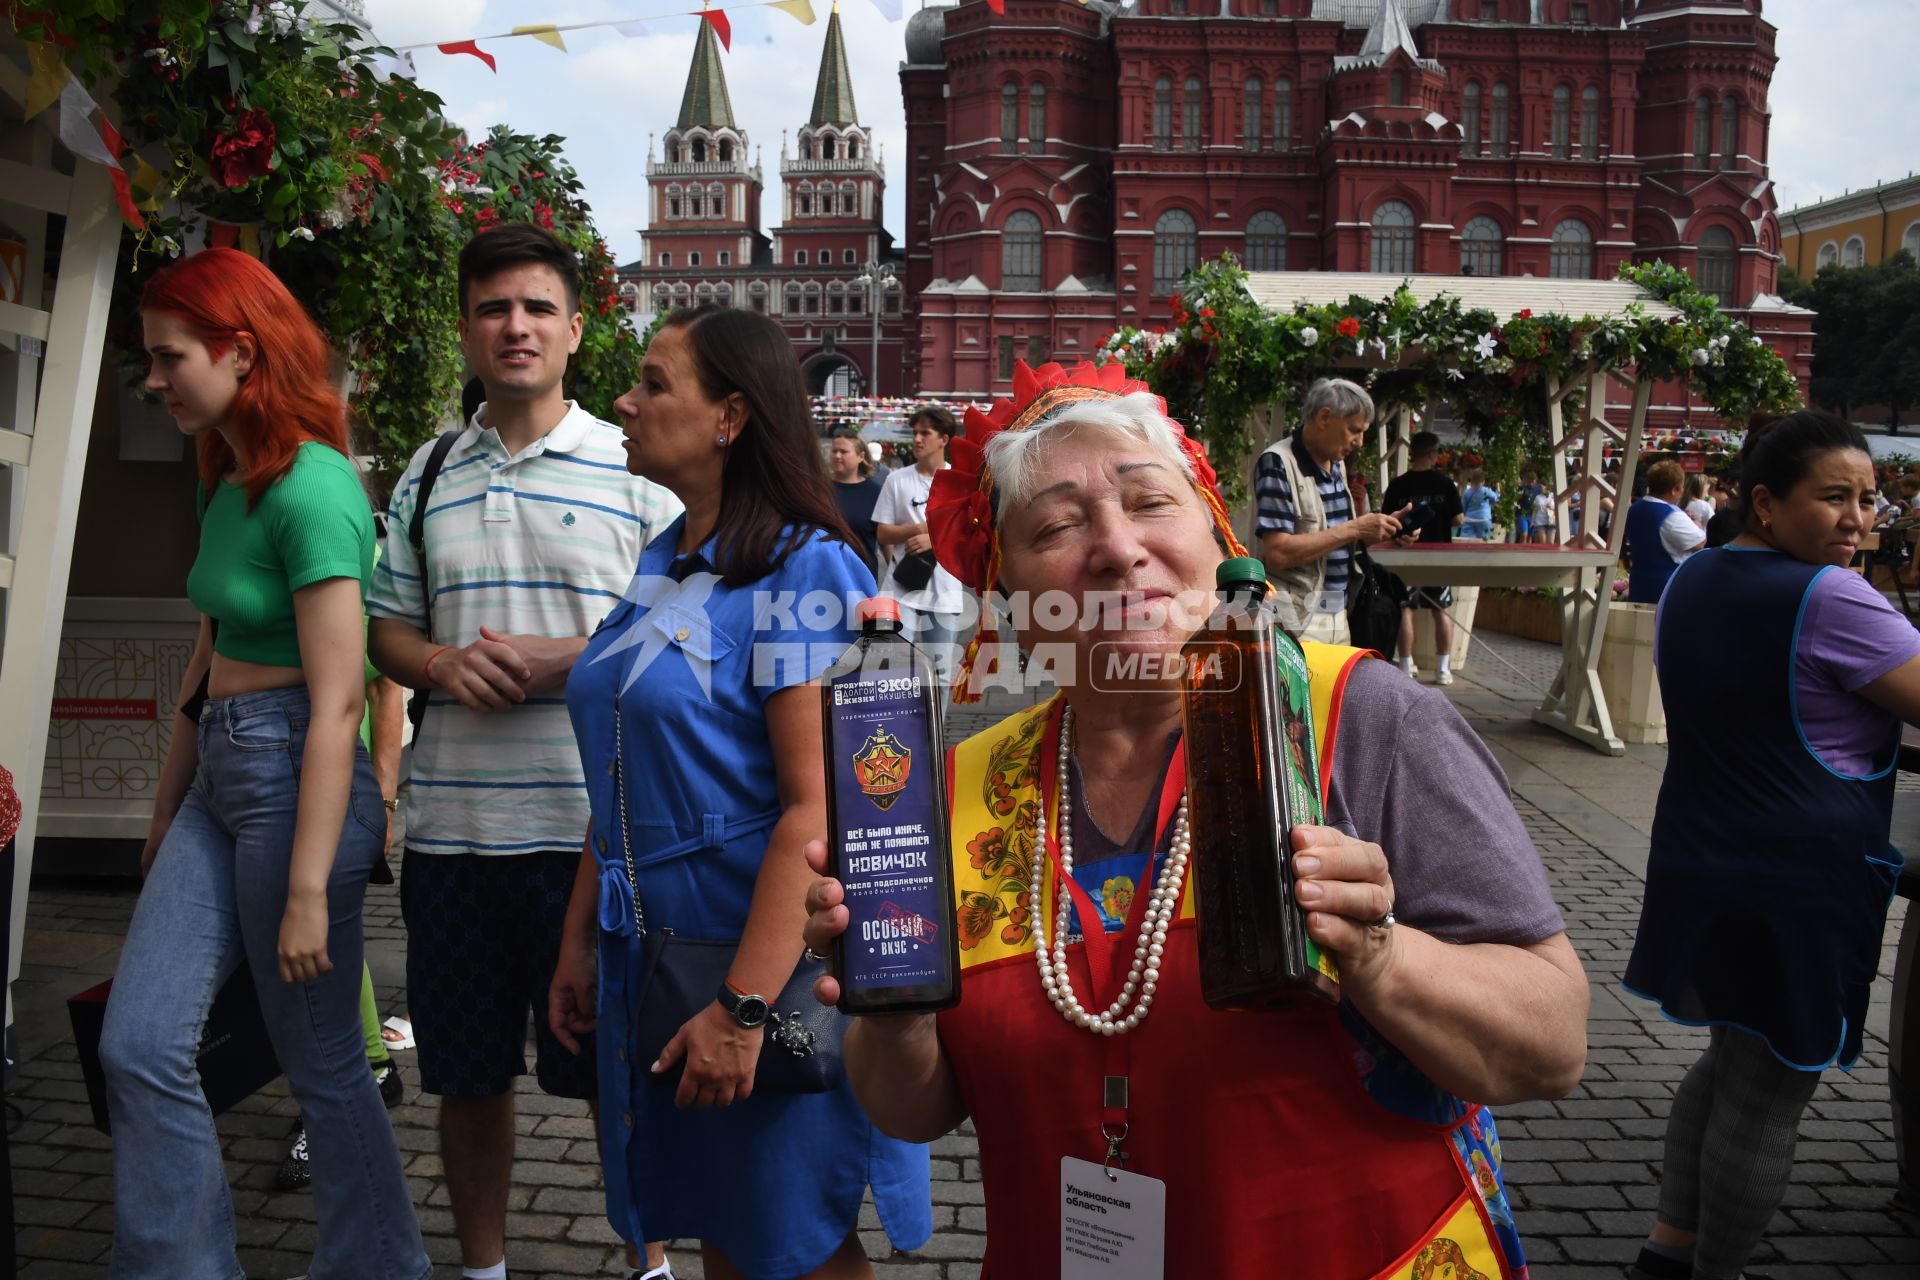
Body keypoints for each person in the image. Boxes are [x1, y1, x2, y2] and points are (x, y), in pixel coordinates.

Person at [801, 359, 1589, 1276]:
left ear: (1218, 542)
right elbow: (916, 1109)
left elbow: (1552, 1045)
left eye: (1150, 503)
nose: (1116, 547)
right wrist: (891, 1005)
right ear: (1008, 600)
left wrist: (1378, 954)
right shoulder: (959, 784)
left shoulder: (1362, 717)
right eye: (1057, 524)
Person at [552, 305, 931, 1279]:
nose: (624, 403)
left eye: (652, 382)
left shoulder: (808, 566)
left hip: (749, 953)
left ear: (731, 415)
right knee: (728, 1223)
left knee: (788, 1236)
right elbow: (624, 761)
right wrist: (579, 935)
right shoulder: (664, 555)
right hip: (655, 949)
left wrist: (742, 1008)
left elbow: (820, 808)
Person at [98, 247, 429, 1278]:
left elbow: (338, 701)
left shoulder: (314, 487)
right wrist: (166, 815)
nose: (155, 380)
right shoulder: (224, 476)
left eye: (168, 356)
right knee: (137, 1045)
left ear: (241, 350)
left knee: (325, 1061)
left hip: (298, 782)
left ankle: (382, 1263)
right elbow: (206, 661)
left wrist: (302, 889)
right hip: (220, 784)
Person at [368, 223, 681, 1280]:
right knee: (465, 1069)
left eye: (539, 307)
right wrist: (440, 667)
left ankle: (647, 1262)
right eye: (495, 308)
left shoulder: (637, 466)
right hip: (452, 829)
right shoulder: (430, 468)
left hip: (592, 831)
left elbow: (699, 627)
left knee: (614, 1073)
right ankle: (485, 1268)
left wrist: (576, 658)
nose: (517, 327)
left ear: (576, 330)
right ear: (464, 328)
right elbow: (386, 627)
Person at [1623, 412, 1920, 1280]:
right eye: (1833, 498)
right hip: (1797, 879)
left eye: (1868, 500)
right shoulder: (1830, 597)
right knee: (1770, 1091)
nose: (1859, 519)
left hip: (1700, 857)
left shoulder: (1696, 577)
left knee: (1727, 1062)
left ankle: (1667, 1251)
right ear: (1764, 500)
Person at [1254, 377, 1407, 643]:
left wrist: (1381, 530)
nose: (1359, 442)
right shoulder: (1277, 463)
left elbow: (1332, 540)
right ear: (1324, 417)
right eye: (1354, 430)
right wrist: (1356, 527)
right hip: (1298, 619)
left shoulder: (1336, 464)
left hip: (1339, 613)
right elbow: (1277, 552)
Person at [873, 406, 969, 680]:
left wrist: (933, 538)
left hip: (945, 591)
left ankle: (936, 725)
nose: (917, 439)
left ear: (944, 439)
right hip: (901, 588)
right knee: (897, 672)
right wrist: (913, 529)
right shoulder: (896, 480)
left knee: (941, 675)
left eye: (925, 433)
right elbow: (882, 533)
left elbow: (969, 535)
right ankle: (903, 724)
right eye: (915, 432)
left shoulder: (961, 482)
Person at [1382, 431, 1466, 684]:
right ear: (1432, 454)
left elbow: (1387, 519)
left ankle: (1406, 665)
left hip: (1404, 556)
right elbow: (1458, 519)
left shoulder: (1398, 485)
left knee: (1405, 608)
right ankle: (1443, 669)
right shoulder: (1445, 484)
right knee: (1441, 609)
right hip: (1439, 555)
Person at [1625, 460, 1706, 603]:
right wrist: (1698, 524)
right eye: (1681, 488)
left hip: (1638, 583)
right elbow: (1700, 543)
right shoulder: (1671, 515)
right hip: (1666, 587)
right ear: (1674, 489)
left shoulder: (1635, 508)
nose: (1682, 493)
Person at [827, 424, 885, 574]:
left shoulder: (875, 493)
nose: (837, 456)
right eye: (834, 451)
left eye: (844, 451)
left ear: (861, 456)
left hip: (862, 575)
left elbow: (884, 539)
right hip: (825, 575)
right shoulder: (819, 490)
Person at [1459, 467, 1499, 540]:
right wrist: (1498, 491)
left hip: (1469, 519)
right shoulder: (1486, 491)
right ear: (1483, 481)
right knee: (1485, 542)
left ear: (1471, 480)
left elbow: (1463, 507)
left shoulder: (1467, 492)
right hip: (1484, 519)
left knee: (1466, 542)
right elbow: (1495, 498)